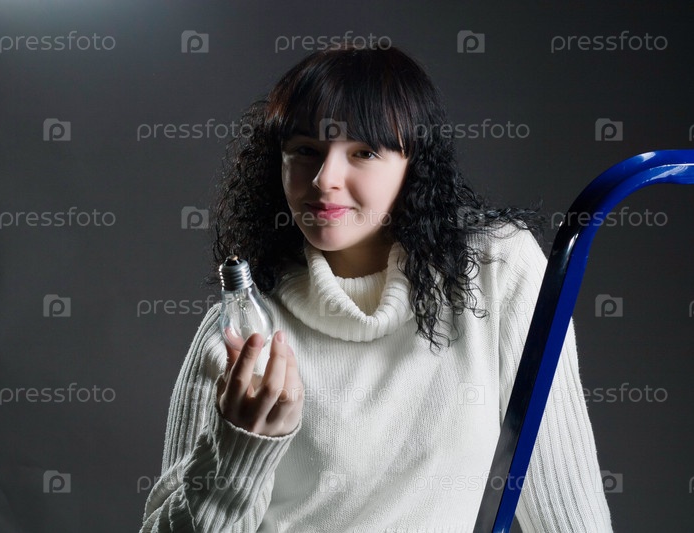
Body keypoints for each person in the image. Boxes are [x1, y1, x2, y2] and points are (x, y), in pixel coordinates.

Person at [140, 42, 613, 532]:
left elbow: (566, 505)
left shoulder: (497, 267)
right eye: (305, 151)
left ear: (415, 165)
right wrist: (241, 448)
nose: (325, 179)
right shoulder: (239, 334)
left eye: (364, 152)